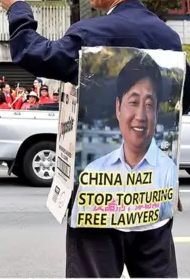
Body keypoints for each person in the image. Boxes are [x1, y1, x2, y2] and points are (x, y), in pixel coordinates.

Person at [1, 0, 190, 278]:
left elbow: (35, 54)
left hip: (98, 205)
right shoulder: (169, 39)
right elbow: (186, 96)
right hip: (153, 201)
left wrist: (18, 9)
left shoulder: (91, 32)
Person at [70, 54, 177, 227]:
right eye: (134, 102)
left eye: (149, 105)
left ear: (157, 113)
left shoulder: (168, 172)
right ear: (118, 108)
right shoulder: (94, 171)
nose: (141, 116)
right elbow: (80, 224)